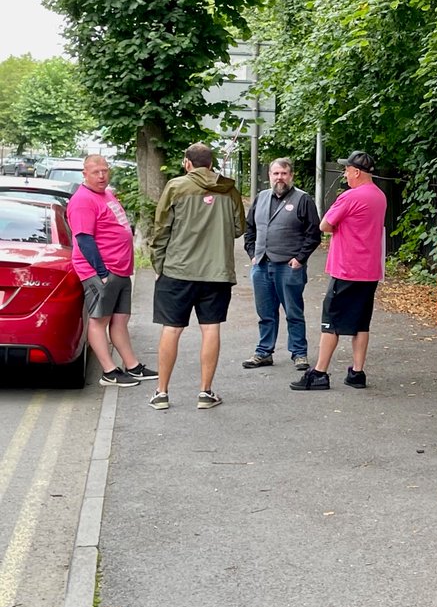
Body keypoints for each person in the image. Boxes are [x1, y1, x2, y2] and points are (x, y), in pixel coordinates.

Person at [147, 143, 246, 410]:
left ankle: (161, 393)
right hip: (217, 272)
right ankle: (205, 392)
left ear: (187, 163)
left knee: (172, 328)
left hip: (178, 270)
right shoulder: (229, 189)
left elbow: (161, 230)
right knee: (211, 328)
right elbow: (238, 228)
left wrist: (160, 266)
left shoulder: (176, 187)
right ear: (211, 165)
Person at [291, 151, 386, 391]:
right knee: (361, 323)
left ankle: (319, 372)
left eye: (347, 170)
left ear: (356, 172)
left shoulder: (349, 197)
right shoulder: (379, 196)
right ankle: (357, 372)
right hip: (370, 269)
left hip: (347, 268)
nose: (344, 174)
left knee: (331, 321)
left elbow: (325, 225)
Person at [66, 154, 156, 388]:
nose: (102, 175)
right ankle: (109, 371)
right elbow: (84, 239)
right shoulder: (82, 200)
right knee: (99, 319)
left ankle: (132, 366)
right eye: (96, 172)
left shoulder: (106, 194)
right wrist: (102, 272)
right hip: (101, 272)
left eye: (105, 170)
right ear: (84, 174)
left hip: (119, 269)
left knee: (120, 319)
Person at [243, 158, 322, 371]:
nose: (280, 178)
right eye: (276, 174)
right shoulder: (260, 198)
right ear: (269, 175)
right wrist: (252, 253)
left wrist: (300, 259)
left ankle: (299, 353)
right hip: (261, 265)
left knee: (293, 312)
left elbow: (313, 234)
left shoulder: (303, 199)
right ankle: (263, 352)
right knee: (265, 313)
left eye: (284, 174)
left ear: (291, 175)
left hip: (289, 267)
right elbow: (249, 229)